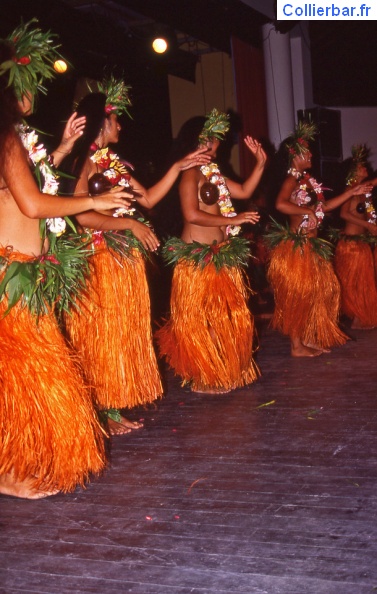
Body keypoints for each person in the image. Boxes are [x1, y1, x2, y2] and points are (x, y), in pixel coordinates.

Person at [0, 21, 131, 499]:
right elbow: (33, 204)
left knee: (27, 378)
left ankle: (17, 464)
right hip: (11, 277)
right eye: (28, 86)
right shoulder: (7, 138)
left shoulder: (14, 139)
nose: (33, 96)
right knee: (21, 378)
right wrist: (91, 203)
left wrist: (60, 149)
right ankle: (10, 476)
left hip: (21, 273)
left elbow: (22, 191)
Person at [63, 77, 211, 435]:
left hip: (122, 262)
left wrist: (177, 167)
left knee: (121, 332)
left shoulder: (115, 163)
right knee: (102, 334)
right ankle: (101, 411)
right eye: (116, 120)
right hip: (97, 259)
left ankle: (111, 407)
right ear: (103, 123)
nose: (122, 125)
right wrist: (129, 224)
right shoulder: (85, 161)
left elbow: (148, 200)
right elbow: (80, 214)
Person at [156, 108, 264, 393]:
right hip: (197, 257)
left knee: (223, 317)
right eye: (212, 139)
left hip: (220, 254)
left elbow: (243, 191)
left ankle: (219, 368)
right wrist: (232, 219)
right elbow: (191, 214)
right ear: (199, 141)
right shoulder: (190, 174)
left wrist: (261, 163)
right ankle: (203, 375)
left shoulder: (213, 173)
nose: (217, 144)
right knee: (201, 320)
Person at [266, 121, 373, 357]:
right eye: (307, 151)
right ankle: (296, 346)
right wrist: (307, 212)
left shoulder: (307, 181)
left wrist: (350, 193)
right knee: (298, 296)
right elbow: (280, 204)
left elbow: (323, 207)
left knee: (314, 295)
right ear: (295, 155)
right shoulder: (291, 181)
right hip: (297, 247)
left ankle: (304, 339)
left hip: (310, 246)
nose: (311, 154)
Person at [333, 145, 377, 329]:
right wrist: (367, 225)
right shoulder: (350, 190)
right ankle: (357, 318)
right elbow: (343, 214)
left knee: (365, 283)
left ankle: (361, 317)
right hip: (350, 245)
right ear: (353, 171)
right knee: (355, 283)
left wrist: (372, 222)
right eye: (361, 166)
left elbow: (369, 213)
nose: (365, 167)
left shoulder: (363, 192)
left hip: (361, 244)